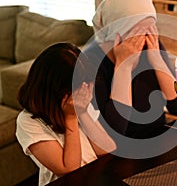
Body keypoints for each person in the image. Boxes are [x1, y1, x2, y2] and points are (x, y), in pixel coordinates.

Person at [84, 0, 177, 139]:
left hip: (158, 138)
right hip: (120, 149)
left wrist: (157, 60)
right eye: (137, 30)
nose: (144, 36)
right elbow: (114, 130)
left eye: (150, 28)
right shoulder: (90, 62)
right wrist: (123, 67)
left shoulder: (151, 45)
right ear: (116, 29)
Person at [15, 42, 116, 186]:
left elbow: (107, 148)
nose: (85, 92)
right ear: (57, 91)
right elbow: (70, 170)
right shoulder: (28, 122)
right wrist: (71, 118)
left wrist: (82, 113)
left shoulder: (78, 103)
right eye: (78, 87)